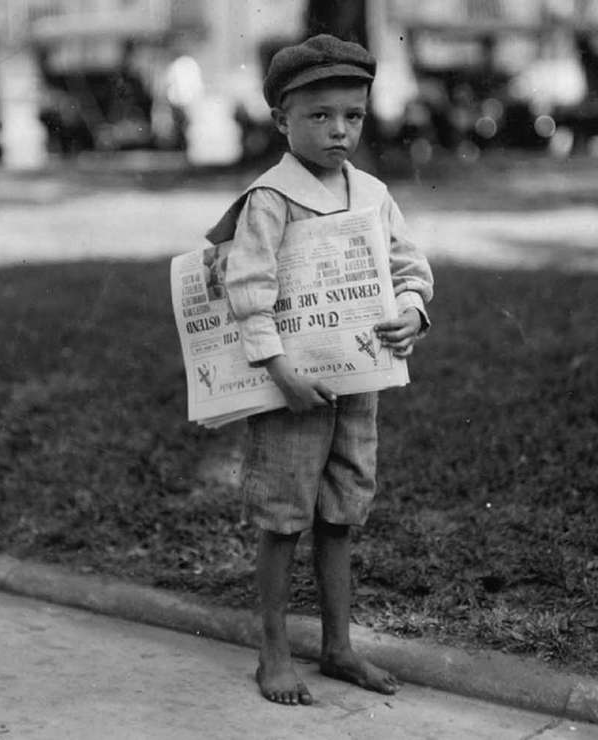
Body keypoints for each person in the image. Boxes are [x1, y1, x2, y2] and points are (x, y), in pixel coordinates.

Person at [204, 34, 434, 706]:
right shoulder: (271, 198)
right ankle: (273, 652)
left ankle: (339, 646)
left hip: (357, 383)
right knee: (283, 517)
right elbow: (247, 289)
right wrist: (279, 370)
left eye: (353, 116)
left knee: (341, 513)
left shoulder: (371, 192)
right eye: (320, 116)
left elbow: (408, 268)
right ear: (282, 119)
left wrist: (413, 311)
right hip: (290, 391)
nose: (339, 131)